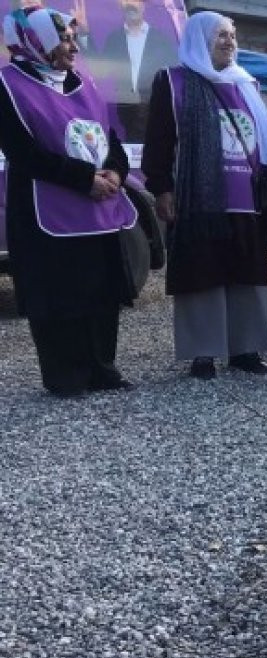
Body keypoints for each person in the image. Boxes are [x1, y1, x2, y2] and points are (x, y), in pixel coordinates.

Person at [0, 7, 137, 397]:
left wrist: (114, 172)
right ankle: (67, 376)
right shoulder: (6, 84)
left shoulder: (83, 82)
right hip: (47, 209)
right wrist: (83, 180)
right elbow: (23, 152)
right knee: (59, 295)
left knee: (99, 292)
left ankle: (101, 368)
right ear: (35, 41)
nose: (72, 47)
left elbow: (109, 139)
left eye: (73, 38)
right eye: (63, 38)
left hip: (96, 208)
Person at [142, 11, 267, 379]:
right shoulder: (173, 82)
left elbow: (263, 146)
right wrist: (161, 188)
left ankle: (244, 349)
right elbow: (158, 141)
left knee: (246, 274)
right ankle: (203, 353)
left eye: (232, 35)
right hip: (199, 197)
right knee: (203, 273)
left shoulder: (244, 84)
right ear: (199, 39)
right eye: (220, 35)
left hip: (245, 197)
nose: (230, 41)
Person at [86, 0, 177, 138]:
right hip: (126, 109)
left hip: (154, 109)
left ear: (143, 5)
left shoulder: (161, 40)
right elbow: (100, 69)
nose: (130, 3)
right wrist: (84, 34)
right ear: (119, 6)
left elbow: (172, 76)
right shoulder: (114, 39)